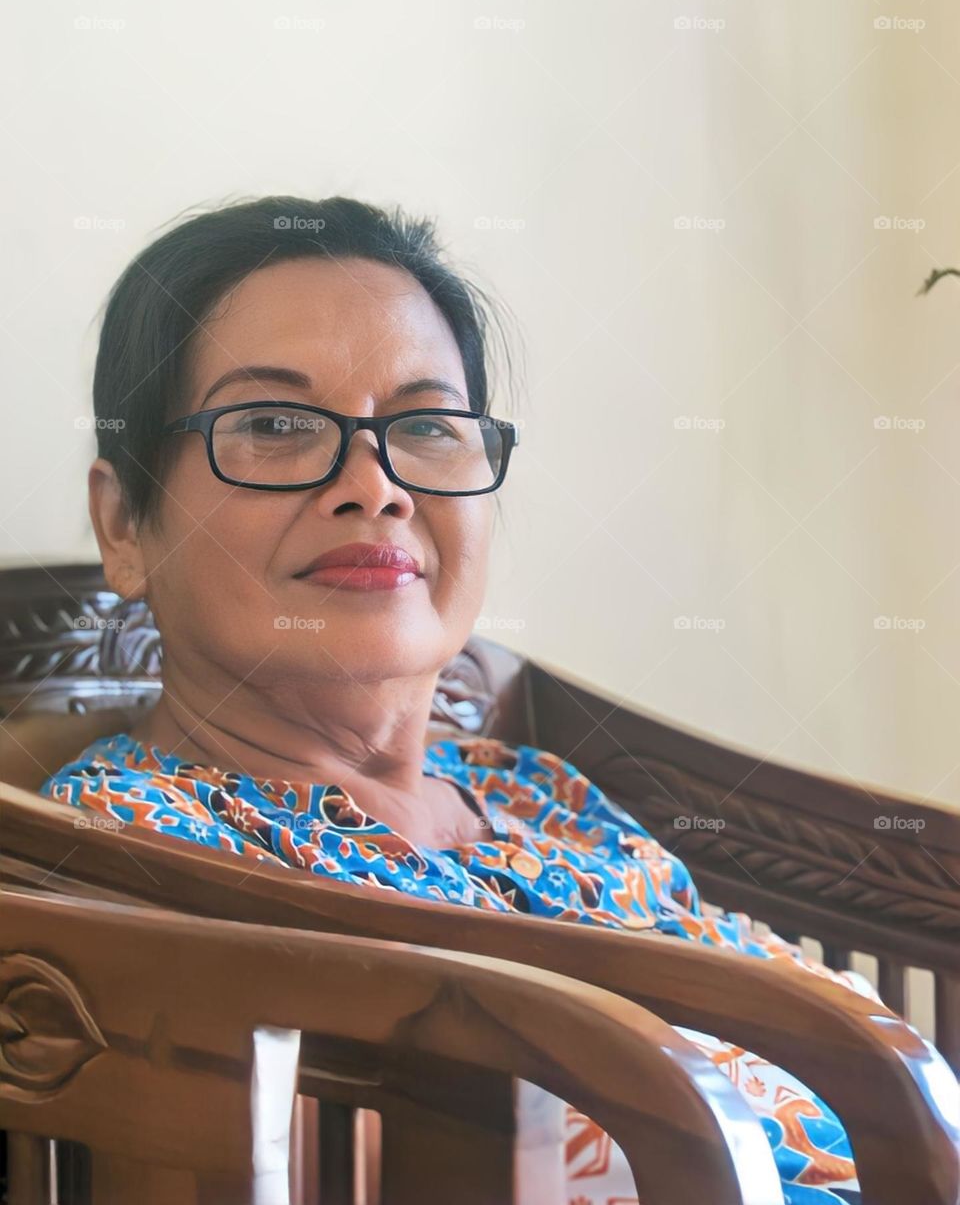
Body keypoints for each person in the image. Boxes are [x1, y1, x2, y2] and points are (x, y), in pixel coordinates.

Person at [38, 193, 929, 1202]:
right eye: (274, 423)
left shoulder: (541, 794)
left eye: (425, 424)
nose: (375, 485)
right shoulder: (137, 863)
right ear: (125, 524)